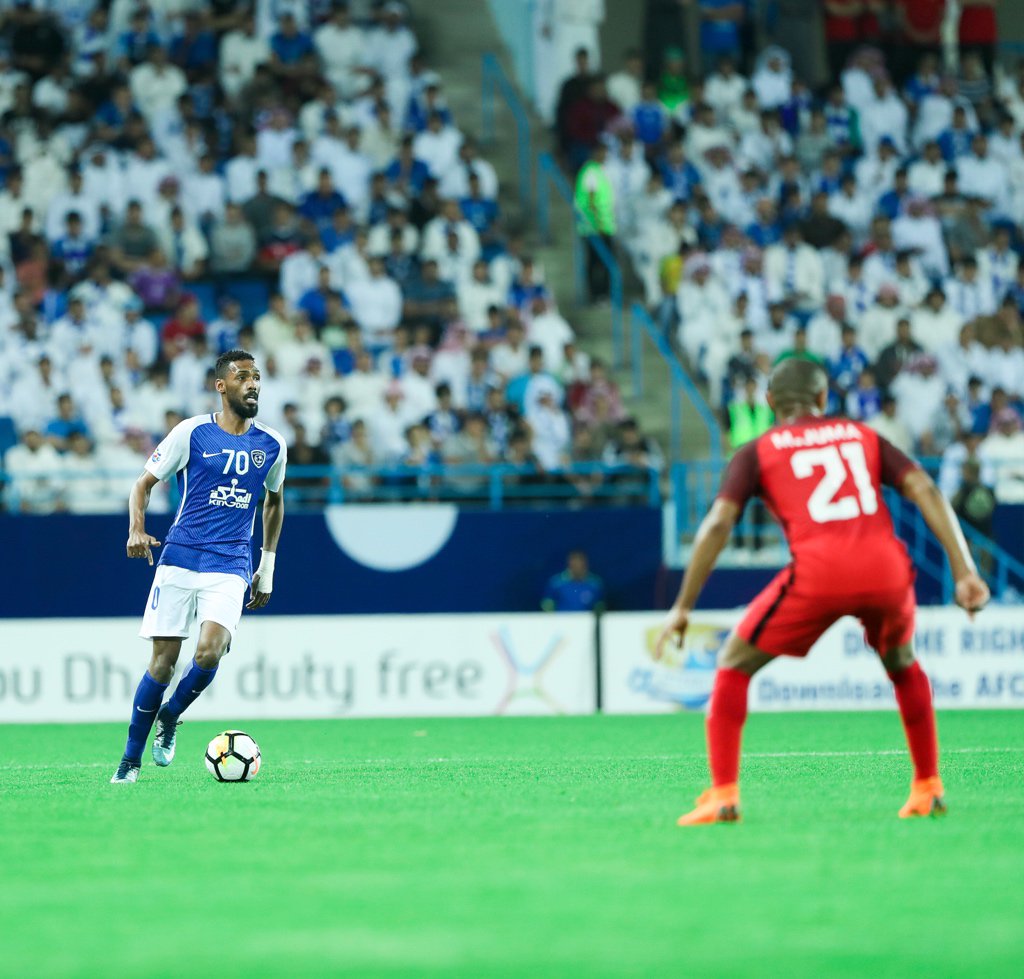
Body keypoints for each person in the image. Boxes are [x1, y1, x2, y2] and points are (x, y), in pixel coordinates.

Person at [654, 358, 989, 825]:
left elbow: (717, 525)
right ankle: (927, 786)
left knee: (733, 663)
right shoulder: (862, 436)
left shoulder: (757, 451)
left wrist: (683, 606)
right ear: (823, 399)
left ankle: (723, 795)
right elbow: (925, 490)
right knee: (902, 664)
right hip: (886, 568)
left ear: (770, 403)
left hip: (820, 571)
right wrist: (964, 570)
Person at [110, 350, 288, 783]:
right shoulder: (191, 433)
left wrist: (267, 565)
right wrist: (136, 529)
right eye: (243, 376)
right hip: (180, 556)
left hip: (230, 562)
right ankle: (129, 763)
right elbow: (143, 484)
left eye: (258, 377)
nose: (253, 384)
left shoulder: (272, 444)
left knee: (210, 650)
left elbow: (274, 501)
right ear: (221, 385)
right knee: (162, 664)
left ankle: (170, 717)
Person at [542, 549, 606, 612]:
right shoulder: (556, 583)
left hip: (586, 621)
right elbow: (547, 604)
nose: (577, 565)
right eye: (574, 563)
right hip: (561, 621)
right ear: (569, 564)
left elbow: (599, 606)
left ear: (585, 564)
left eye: (580, 562)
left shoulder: (595, 584)